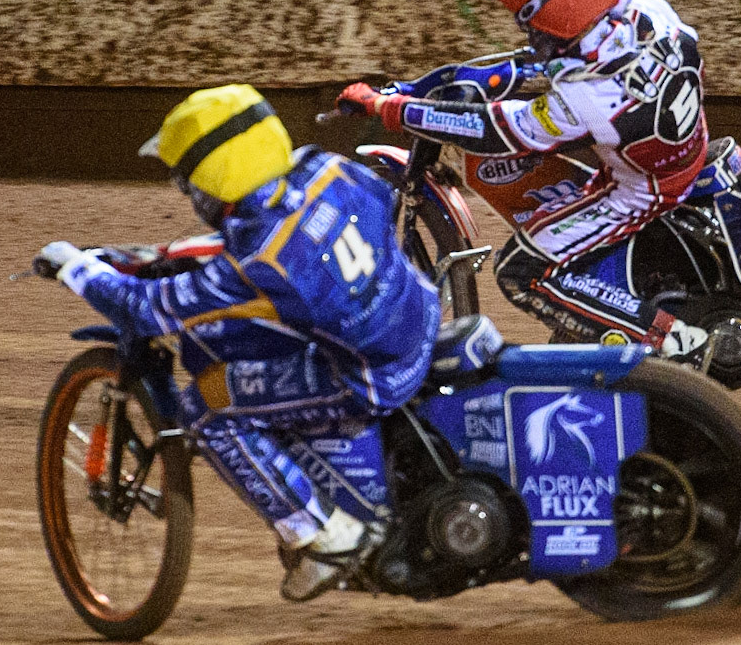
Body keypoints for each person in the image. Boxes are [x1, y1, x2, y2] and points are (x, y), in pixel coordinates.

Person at [37, 84, 461, 601]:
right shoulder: (327, 168)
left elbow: (146, 310)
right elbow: (323, 223)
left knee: (207, 406)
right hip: (420, 314)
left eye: (188, 179)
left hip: (370, 375)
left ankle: (325, 537)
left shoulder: (255, 261)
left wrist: (75, 268)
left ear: (214, 179)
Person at [337, 0, 711, 358]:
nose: (529, 34)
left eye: (530, 23)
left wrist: (391, 109)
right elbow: (531, 64)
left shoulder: (585, 98)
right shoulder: (647, 12)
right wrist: (414, 88)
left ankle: (676, 342)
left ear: (560, 14)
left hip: (643, 189)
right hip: (683, 145)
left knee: (520, 270)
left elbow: (493, 130)